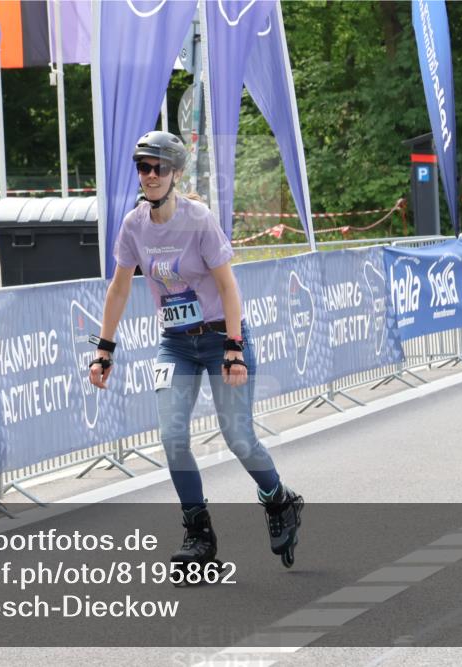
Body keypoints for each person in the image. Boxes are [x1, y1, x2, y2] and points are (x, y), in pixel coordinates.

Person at [88, 131, 304, 571]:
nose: (148, 176)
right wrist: (104, 350)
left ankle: (279, 500)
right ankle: (198, 532)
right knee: (171, 437)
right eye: (142, 168)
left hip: (220, 338)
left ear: (175, 173)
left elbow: (227, 285)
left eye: (157, 168)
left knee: (239, 438)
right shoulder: (134, 226)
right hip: (175, 344)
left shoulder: (198, 219)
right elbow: (119, 287)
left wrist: (234, 347)